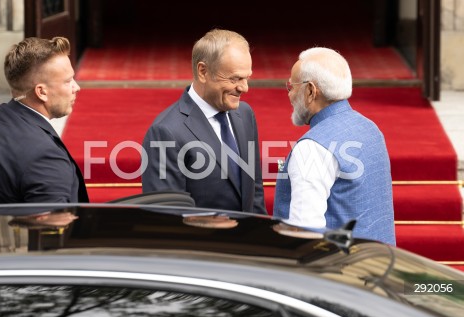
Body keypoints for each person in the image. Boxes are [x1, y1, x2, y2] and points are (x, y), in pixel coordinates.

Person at [273, 47, 395, 245]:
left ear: (311, 91)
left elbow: (304, 236)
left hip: (339, 271)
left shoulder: (311, 149)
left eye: (292, 86)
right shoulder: (370, 128)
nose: (290, 95)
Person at [141, 29, 266, 214]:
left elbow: (254, 191)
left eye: (247, 78)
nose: (244, 88)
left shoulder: (245, 114)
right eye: (235, 79)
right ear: (203, 71)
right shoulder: (166, 132)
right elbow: (166, 216)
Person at [0, 37, 88, 204]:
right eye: (68, 81)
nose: (76, 87)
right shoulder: (45, 158)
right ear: (42, 92)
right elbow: (51, 226)